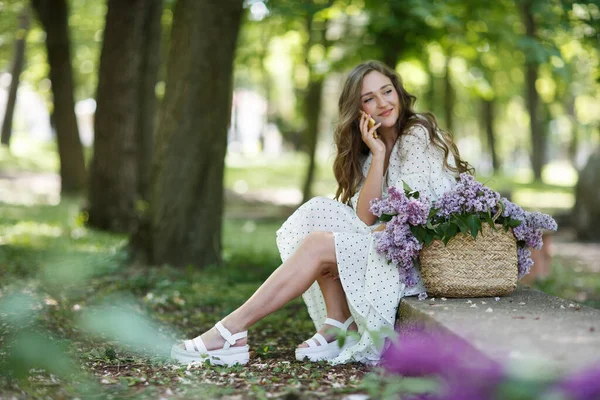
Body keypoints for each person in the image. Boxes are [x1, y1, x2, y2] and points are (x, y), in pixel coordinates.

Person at [171, 60, 472, 366]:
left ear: (399, 92)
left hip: (420, 260)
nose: (382, 103)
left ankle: (230, 331)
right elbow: (366, 218)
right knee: (317, 212)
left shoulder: (417, 134)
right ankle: (338, 320)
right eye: (369, 98)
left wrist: (335, 245)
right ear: (359, 110)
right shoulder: (372, 154)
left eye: (387, 91)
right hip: (390, 247)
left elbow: (415, 216)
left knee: (320, 244)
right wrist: (379, 153)